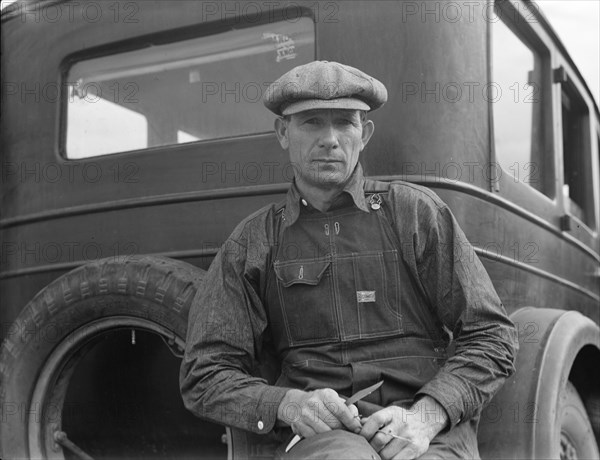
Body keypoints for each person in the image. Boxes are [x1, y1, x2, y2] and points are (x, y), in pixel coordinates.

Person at [180, 61, 518, 459]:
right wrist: (287, 405)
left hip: (428, 429)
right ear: (283, 133)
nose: (330, 139)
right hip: (324, 438)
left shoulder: (414, 213)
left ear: (366, 133)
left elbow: (492, 335)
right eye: (311, 123)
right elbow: (205, 374)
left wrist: (428, 416)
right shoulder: (252, 243)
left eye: (345, 123)